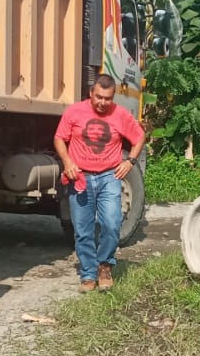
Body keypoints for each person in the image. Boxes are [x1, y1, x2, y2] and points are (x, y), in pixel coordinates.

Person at [53, 73, 146, 292]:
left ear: (113, 97)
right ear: (91, 93)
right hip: (81, 177)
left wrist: (130, 161)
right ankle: (88, 273)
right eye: (99, 97)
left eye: (108, 98)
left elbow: (139, 136)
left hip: (109, 177)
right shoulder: (74, 112)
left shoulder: (120, 115)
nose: (103, 102)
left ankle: (104, 266)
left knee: (112, 223)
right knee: (82, 229)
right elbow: (59, 138)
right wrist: (67, 162)